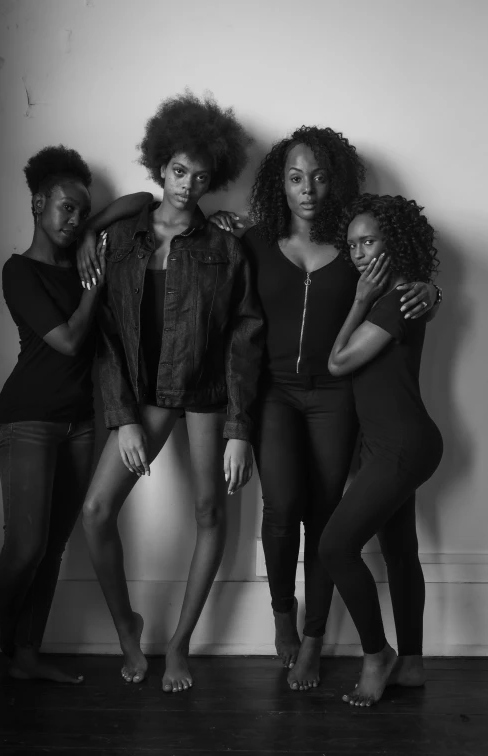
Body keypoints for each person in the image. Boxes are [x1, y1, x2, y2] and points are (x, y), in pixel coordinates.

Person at [213, 127, 441, 691]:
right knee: (282, 505)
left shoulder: (356, 247)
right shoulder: (256, 241)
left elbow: (405, 282)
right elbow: (239, 333)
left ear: (334, 180)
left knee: (325, 515)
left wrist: (432, 294)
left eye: (318, 176)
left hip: (337, 399)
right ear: (279, 185)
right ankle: (283, 616)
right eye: (294, 178)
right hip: (276, 394)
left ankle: (315, 640)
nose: (307, 188)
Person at [79, 93, 263, 693]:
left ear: (216, 179)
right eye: (179, 171)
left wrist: (239, 430)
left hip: (207, 392)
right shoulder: (123, 239)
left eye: (201, 176)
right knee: (97, 511)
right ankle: (129, 632)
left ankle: (180, 642)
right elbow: (105, 339)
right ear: (160, 167)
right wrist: (124, 418)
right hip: (146, 396)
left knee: (212, 511)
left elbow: (244, 337)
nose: (187, 185)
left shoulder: (225, 246)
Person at [0, 145, 149, 683]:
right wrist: (94, 286)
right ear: (38, 204)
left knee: (54, 547)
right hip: (28, 420)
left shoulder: (86, 251)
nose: (75, 218)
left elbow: (142, 198)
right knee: (25, 546)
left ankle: (28, 658)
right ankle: (7, 643)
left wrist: (90, 235)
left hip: (83, 423)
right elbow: (67, 340)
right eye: (67, 208)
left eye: (83, 211)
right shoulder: (21, 272)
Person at [323, 193, 443, 707]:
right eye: (351, 244)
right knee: (398, 551)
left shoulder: (396, 300)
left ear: (392, 244)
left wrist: (356, 300)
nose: (358, 252)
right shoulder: (397, 297)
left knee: (333, 547)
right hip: (388, 446)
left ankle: (377, 655)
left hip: (402, 445)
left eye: (368, 241)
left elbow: (338, 361)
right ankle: (411, 664)